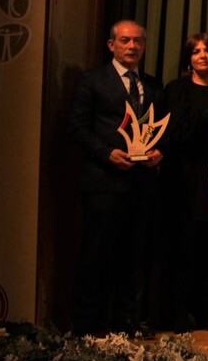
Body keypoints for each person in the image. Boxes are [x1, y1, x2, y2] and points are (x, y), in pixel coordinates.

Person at [70, 20, 165, 337]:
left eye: (137, 41)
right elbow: (78, 128)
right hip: (104, 183)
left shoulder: (152, 86)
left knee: (133, 258)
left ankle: (126, 323)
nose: (132, 46)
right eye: (125, 40)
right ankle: (88, 326)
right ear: (111, 45)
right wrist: (106, 153)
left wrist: (160, 152)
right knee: (96, 254)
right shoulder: (92, 80)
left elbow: (161, 130)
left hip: (141, 185)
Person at [163, 33, 208, 332]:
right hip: (183, 177)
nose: (202, 55)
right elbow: (181, 134)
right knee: (184, 246)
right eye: (195, 51)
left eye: (207, 51)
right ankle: (179, 312)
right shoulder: (177, 89)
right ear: (188, 59)